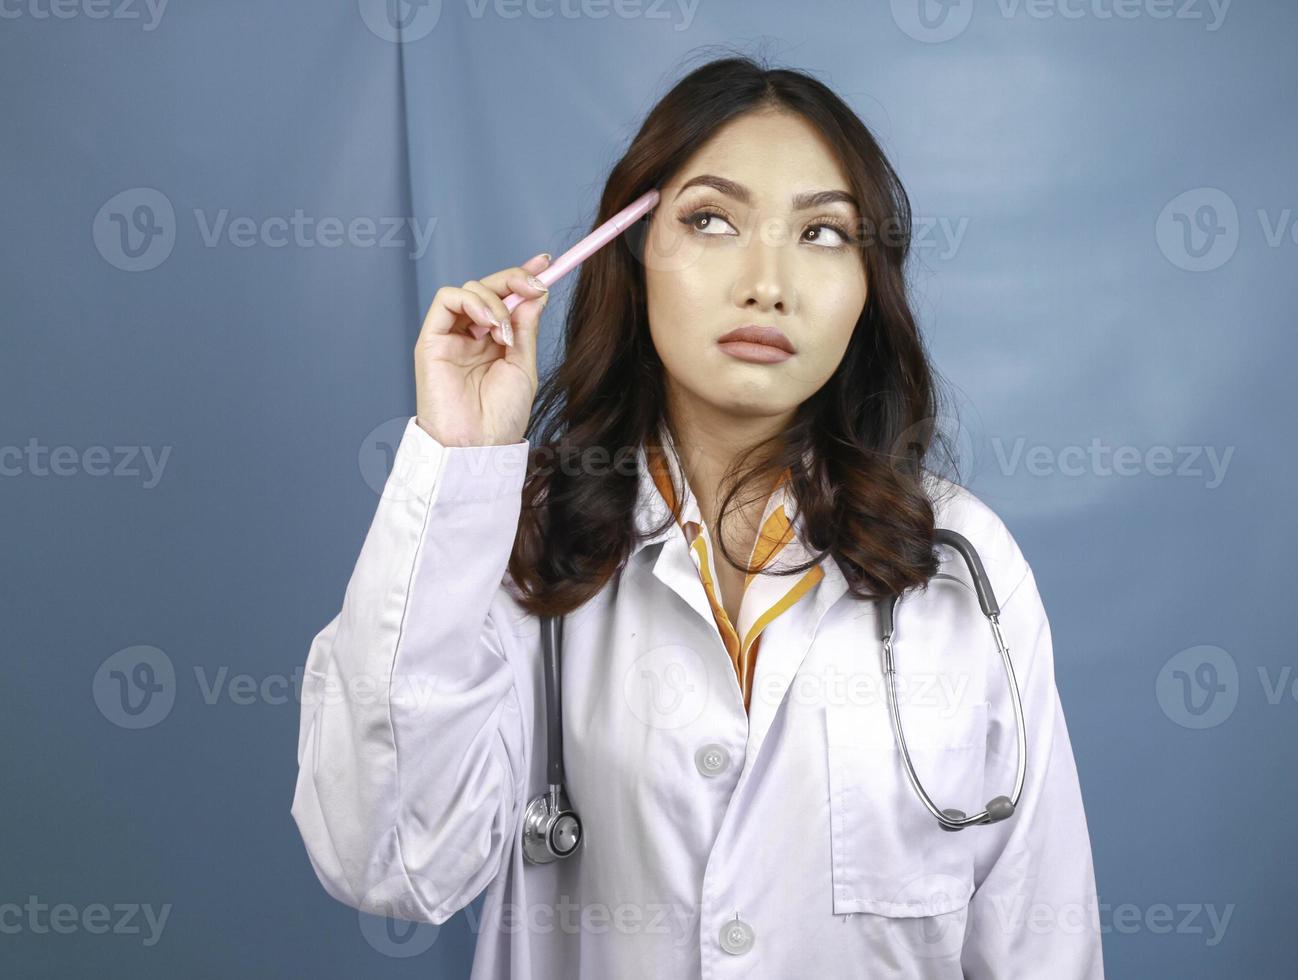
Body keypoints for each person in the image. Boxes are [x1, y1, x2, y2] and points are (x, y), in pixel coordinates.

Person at [291, 53, 1104, 979]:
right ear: (630, 257)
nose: (766, 282)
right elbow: (384, 860)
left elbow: (1045, 939)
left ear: (869, 293)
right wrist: (458, 465)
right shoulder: (520, 535)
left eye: (824, 234)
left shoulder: (964, 562)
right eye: (711, 219)